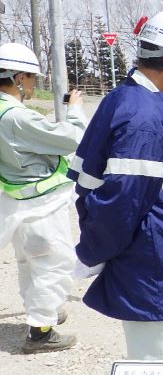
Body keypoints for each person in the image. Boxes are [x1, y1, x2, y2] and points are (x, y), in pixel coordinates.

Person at [68, 10, 163, 361]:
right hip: (155, 276)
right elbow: (118, 206)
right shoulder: (145, 121)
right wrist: (92, 253)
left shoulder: (135, 101)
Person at [0, 42, 86, 354]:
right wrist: (75, 109)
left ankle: (44, 313)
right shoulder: (16, 117)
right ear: (18, 78)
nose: (35, 84)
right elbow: (70, 139)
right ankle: (41, 332)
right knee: (53, 263)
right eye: (33, 78)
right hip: (41, 205)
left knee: (30, 262)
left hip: (16, 201)